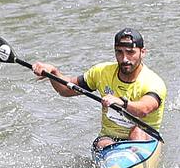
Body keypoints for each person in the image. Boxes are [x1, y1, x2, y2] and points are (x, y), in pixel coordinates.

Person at [32, 28, 166, 150]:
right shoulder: (101, 72)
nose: (125, 59)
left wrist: (122, 102)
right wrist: (53, 73)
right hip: (110, 139)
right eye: (119, 52)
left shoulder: (153, 82)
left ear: (142, 52)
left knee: (137, 132)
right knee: (103, 145)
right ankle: (114, 167)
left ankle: (127, 164)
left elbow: (144, 109)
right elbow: (65, 90)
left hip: (145, 139)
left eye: (131, 52)